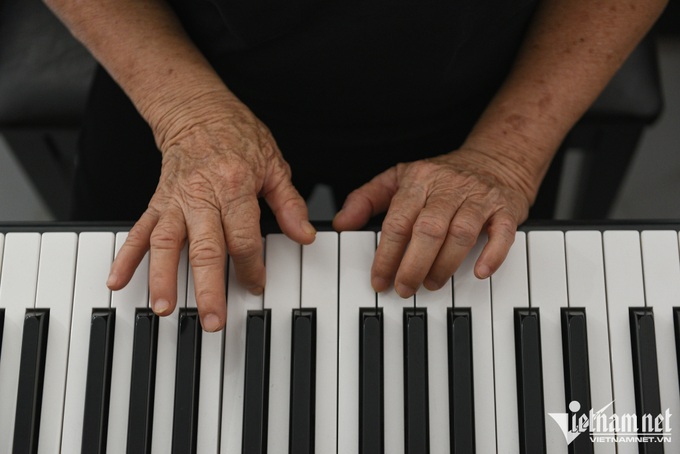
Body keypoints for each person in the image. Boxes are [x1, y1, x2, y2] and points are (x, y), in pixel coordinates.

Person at [45, 0, 667, 332]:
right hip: (185, 77)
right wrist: (187, 113)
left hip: (481, 100)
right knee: (119, 308)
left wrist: (510, 155)